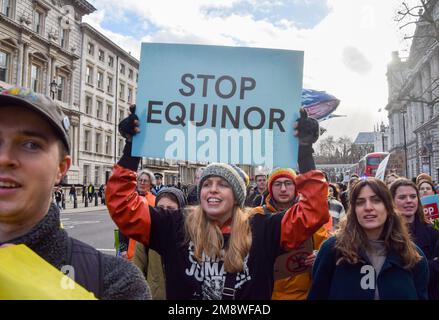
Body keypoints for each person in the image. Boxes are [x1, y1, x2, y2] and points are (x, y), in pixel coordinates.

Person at [106, 105, 329, 299]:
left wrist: (304, 152)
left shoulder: (263, 227)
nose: (212, 188)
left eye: (222, 184)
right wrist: (131, 149)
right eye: (207, 183)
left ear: (237, 198)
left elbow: (313, 211)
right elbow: (123, 206)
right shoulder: (175, 225)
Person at [0, 87, 150, 299]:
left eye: (31, 145)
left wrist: (133, 150)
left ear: (61, 168)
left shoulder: (116, 281)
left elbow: (125, 205)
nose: (4, 158)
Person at [308, 178, 429, 300]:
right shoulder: (332, 250)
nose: (368, 207)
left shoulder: (412, 255)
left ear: (388, 207)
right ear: (353, 211)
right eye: (360, 202)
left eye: (376, 200)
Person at [252, 167, 329, 300]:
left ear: (296, 187)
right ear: (270, 188)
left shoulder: (309, 218)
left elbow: (326, 249)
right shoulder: (256, 216)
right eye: (277, 184)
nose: (283, 189)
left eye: (288, 183)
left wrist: (319, 257)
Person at [133, 187, 188, 299]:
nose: (165, 212)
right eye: (161, 208)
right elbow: (137, 270)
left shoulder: (189, 238)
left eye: (171, 209)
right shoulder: (147, 235)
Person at [390, 178, 439, 299]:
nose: (409, 201)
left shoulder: (433, 232)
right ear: (391, 201)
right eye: (402, 197)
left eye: (413, 196)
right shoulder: (385, 233)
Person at [118, 169, 156, 260]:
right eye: (140, 180)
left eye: (145, 181)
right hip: (129, 248)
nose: (142, 183)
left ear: (150, 184)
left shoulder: (155, 200)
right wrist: (123, 249)